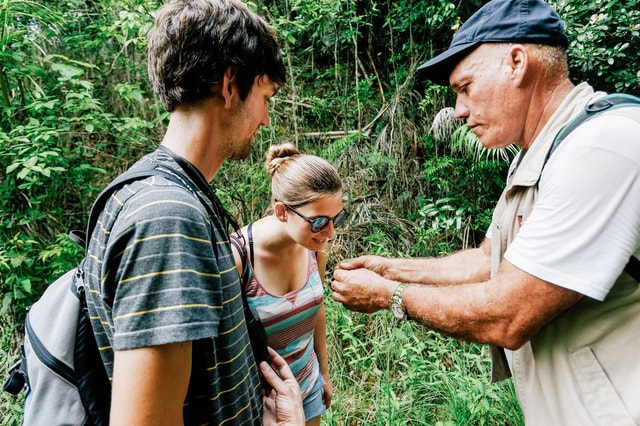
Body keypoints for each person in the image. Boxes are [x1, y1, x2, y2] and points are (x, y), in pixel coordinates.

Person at [330, 0, 640, 425]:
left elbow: (508, 312)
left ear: (516, 63)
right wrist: (392, 268)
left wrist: (389, 296)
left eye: (466, 87)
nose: (458, 110)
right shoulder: (538, 154)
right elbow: (487, 259)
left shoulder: (600, 147)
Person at [83, 0, 305, 424]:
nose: (265, 120)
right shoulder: (168, 220)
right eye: (265, 97)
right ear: (229, 84)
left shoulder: (165, 194)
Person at [230, 143, 346, 425]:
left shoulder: (314, 247)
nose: (331, 233)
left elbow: (317, 309)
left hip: (308, 384)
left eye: (337, 218)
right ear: (282, 212)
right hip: (260, 403)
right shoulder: (238, 257)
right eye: (319, 222)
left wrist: (324, 373)